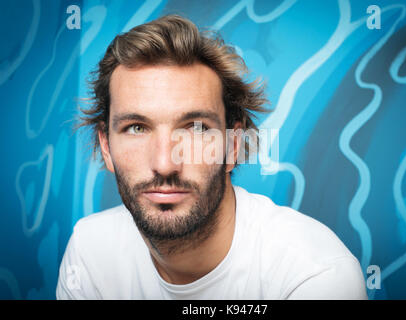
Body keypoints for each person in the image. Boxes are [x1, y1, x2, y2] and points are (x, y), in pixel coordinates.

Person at [56, 15, 367, 300]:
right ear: (106, 147)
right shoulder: (89, 255)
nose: (165, 163)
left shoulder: (314, 275)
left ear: (233, 146)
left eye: (195, 128)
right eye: (137, 127)